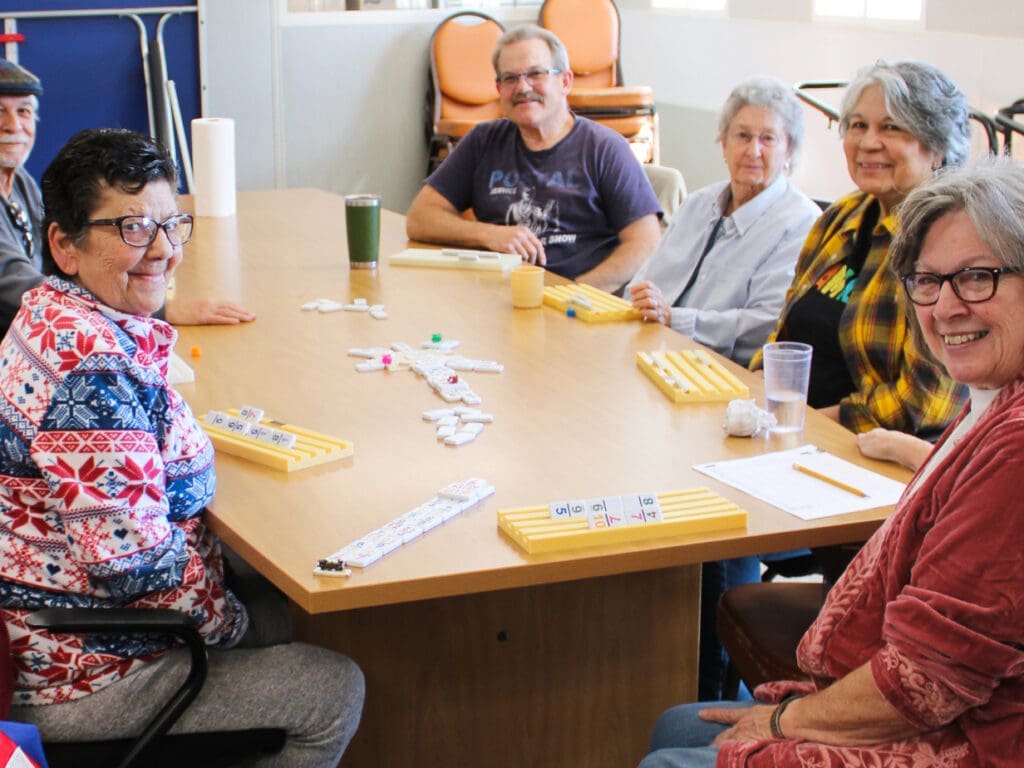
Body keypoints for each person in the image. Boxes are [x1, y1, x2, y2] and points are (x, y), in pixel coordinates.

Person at [639, 155, 1024, 768]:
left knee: (671, 752)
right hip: (938, 697)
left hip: (980, 740)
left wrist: (784, 720)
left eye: (977, 277)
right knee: (677, 724)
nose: (946, 307)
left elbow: (927, 681)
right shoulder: (996, 397)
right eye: (927, 281)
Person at [0, 128, 364, 766]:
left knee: (287, 589)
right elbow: (135, 567)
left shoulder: (53, 312)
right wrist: (233, 625)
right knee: (330, 686)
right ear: (64, 244)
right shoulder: (92, 372)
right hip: (78, 669)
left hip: (54, 613)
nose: (163, 250)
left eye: (173, 224)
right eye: (133, 228)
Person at [750, 60, 969, 436]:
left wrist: (806, 424)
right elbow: (784, 335)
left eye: (892, 127)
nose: (868, 142)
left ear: (936, 147)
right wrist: (756, 388)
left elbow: (924, 403)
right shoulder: (841, 217)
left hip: (869, 453)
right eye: (857, 125)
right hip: (791, 430)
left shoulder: (950, 242)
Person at [0, 58, 254, 336]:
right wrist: (159, 309)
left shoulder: (19, 181)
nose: (13, 125)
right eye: (0, 111)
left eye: (23, 111)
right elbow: (17, 288)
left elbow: (55, 265)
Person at [406, 24, 662, 293]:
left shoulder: (605, 149)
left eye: (536, 74)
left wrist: (574, 292)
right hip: (496, 299)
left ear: (565, 81)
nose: (522, 87)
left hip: (576, 305)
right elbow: (420, 218)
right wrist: (488, 234)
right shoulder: (482, 141)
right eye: (509, 78)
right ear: (498, 88)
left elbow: (646, 243)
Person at [627, 76, 820, 368]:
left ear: (789, 151)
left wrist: (674, 319)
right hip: (650, 351)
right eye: (742, 135)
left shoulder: (802, 223)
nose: (753, 151)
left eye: (768, 139)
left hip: (720, 373)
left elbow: (768, 324)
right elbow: (643, 282)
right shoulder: (698, 203)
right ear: (724, 143)